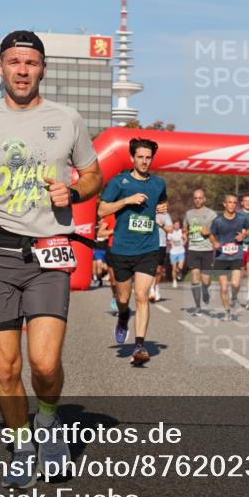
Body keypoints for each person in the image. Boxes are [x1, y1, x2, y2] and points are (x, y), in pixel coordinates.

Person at [0, 30, 102, 488]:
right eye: (14, 62)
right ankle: (23, 442)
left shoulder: (68, 119)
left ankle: (49, 425)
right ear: (0, 67)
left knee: (45, 365)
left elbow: (95, 176)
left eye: (31, 63)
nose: (23, 70)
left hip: (50, 249)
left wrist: (72, 190)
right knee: (5, 368)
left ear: (43, 68)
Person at [98, 138, 167, 366]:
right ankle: (123, 315)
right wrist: (127, 200)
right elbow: (101, 210)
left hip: (148, 248)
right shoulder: (119, 182)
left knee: (142, 296)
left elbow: (162, 204)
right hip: (122, 249)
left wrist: (162, 208)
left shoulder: (158, 184)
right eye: (140, 157)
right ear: (132, 158)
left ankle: (139, 346)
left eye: (148, 157)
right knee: (123, 298)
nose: (145, 161)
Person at [209, 194, 249, 321]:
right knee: (223, 288)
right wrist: (214, 242)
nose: (232, 205)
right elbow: (211, 234)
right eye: (229, 202)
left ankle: (234, 298)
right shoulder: (218, 221)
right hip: (221, 256)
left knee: (235, 283)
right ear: (224, 204)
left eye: (234, 203)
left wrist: (243, 236)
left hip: (236, 255)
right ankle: (227, 312)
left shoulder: (241, 218)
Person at [183, 188, 217, 315]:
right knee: (194, 277)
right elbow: (185, 227)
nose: (197, 200)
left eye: (200, 198)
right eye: (195, 198)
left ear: (204, 199)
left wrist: (209, 232)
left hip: (207, 250)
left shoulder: (211, 214)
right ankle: (197, 306)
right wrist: (185, 235)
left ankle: (206, 289)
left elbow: (217, 229)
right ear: (193, 199)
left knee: (206, 280)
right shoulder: (189, 214)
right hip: (193, 249)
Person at [151, 201, 173, 302]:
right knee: (150, 268)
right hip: (149, 245)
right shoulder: (149, 213)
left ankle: (156, 287)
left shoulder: (166, 215)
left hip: (161, 244)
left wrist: (162, 224)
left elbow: (170, 229)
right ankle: (150, 288)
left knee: (158, 270)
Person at [92, 218, 112, 288]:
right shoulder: (96, 230)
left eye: (104, 221)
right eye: (101, 221)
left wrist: (107, 236)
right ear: (99, 222)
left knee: (106, 267)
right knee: (99, 265)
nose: (102, 222)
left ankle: (106, 276)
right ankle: (99, 279)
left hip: (106, 250)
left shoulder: (107, 230)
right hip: (98, 250)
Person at [167, 220, 186, 287]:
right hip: (173, 252)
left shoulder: (181, 231)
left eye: (178, 225)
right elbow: (168, 241)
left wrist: (184, 241)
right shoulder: (170, 233)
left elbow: (185, 239)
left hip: (181, 251)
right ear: (173, 225)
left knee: (180, 267)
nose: (177, 226)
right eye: (176, 225)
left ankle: (179, 271)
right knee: (174, 268)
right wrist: (170, 242)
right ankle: (174, 281)